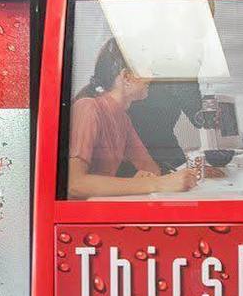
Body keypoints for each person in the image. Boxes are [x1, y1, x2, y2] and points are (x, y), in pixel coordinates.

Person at [65, 39, 201, 198]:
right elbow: (75, 184)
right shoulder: (88, 108)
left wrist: (192, 173)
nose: (152, 75)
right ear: (126, 77)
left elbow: (152, 170)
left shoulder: (122, 119)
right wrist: (151, 183)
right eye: (146, 69)